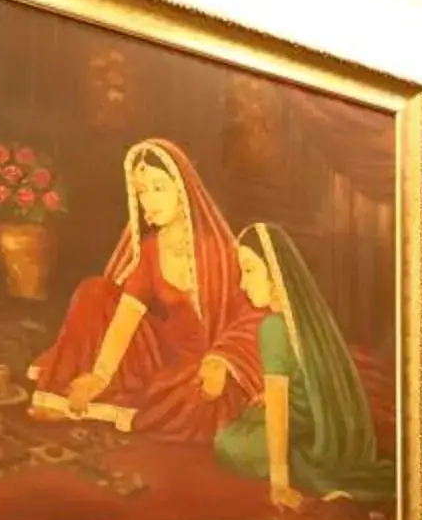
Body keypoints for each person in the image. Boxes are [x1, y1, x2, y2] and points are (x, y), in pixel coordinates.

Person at [29, 140, 262, 441]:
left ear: (183, 190)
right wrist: (100, 376)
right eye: (141, 191)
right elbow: (126, 316)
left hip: (206, 364)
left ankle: (119, 405)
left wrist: (221, 361)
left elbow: (251, 318)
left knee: (185, 400)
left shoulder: (219, 250)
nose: (149, 200)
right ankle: (74, 396)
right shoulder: (151, 249)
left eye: (158, 187)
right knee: (94, 292)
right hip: (162, 352)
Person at [213, 222, 394, 509]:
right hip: (325, 426)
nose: (242, 283)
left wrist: (279, 482)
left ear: (275, 273)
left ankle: (300, 465)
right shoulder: (303, 318)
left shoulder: (273, 328)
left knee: (227, 441)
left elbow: (279, 406)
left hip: (307, 434)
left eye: (249, 270)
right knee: (247, 415)